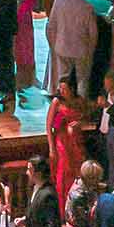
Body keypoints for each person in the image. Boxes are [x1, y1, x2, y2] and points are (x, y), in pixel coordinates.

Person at [46, 0, 98, 98]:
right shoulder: (87, 7)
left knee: (62, 79)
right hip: (80, 50)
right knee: (82, 81)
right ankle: (80, 107)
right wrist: (91, 51)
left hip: (62, 48)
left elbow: (51, 27)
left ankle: (62, 107)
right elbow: (93, 33)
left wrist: (54, 45)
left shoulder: (58, 3)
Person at [46, 77, 85, 206]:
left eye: (64, 88)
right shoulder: (56, 102)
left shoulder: (79, 101)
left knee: (77, 173)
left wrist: (80, 123)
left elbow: (86, 116)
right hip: (61, 143)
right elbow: (49, 125)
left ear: (72, 89)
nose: (61, 91)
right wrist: (51, 148)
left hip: (76, 142)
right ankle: (63, 212)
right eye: (60, 88)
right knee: (63, 175)